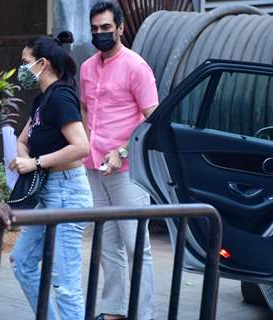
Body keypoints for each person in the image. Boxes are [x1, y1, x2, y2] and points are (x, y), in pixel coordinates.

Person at [80, 2, 159, 320]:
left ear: (121, 28)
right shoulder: (87, 67)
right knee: (106, 243)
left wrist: (122, 151)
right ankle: (113, 310)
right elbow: (86, 110)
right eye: (95, 29)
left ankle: (144, 315)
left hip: (127, 170)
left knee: (136, 245)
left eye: (106, 28)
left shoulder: (136, 66)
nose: (100, 33)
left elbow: (152, 119)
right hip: (93, 167)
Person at [9, 31, 92, 320]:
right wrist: (24, 159)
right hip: (47, 194)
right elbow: (23, 140)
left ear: (42, 63)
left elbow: (81, 146)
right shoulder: (42, 100)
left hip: (67, 193)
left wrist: (37, 162)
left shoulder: (61, 96)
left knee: (66, 285)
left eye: (25, 62)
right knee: (21, 264)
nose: (21, 69)